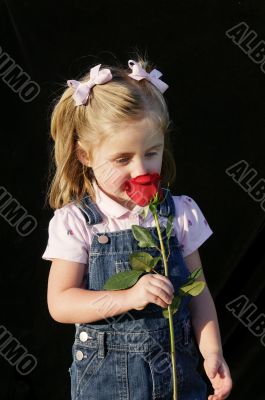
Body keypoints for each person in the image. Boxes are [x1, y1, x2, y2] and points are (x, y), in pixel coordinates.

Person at [42, 55, 233, 400]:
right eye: (121, 159)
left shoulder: (179, 213)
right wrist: (128, 296)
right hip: (106, 386)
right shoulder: (77, 222)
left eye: (152, 152)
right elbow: (61, 302)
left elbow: (198, 291)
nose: (140, 169)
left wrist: (212, 351)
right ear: (85, 155)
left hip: (178, 379)